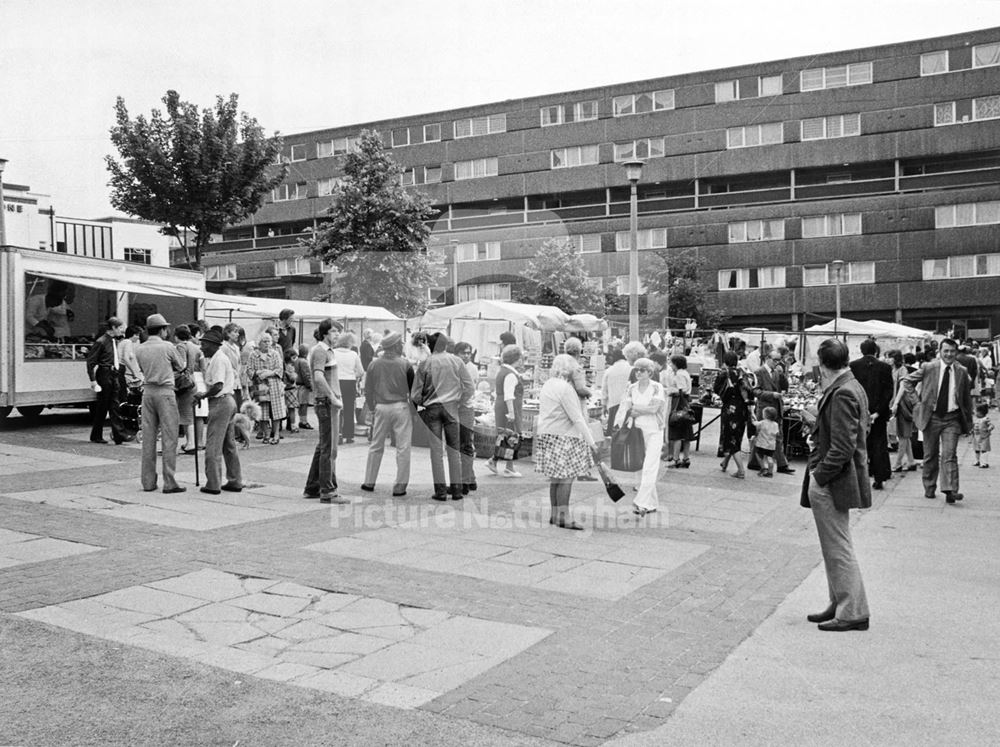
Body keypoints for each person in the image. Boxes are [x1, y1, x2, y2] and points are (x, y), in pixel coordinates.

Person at [799, 338, 871, 632]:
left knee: (838, 546)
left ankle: (852, 610)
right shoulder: (850, 385)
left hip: (832, 480)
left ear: (822, 363)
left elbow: (841, 448)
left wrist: (819, 477)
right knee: (834, 546)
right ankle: (840, 602)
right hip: (837, 478)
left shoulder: (841, 392)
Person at [902, 338, 974, 504]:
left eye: (952, 351)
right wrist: (917, 402)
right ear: (940, 352)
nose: (949, 354)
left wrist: (968, 420)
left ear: (956, 353)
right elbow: (907, 381)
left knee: (950, 454)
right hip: (931, 417)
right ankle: (929, 486)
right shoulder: (929, 367)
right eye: (945, 351)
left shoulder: (961, 371)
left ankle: (950, 490)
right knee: (930, 455)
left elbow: (965, 398)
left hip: (952, 418)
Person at [535, 354, 599, 530]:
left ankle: (555, 514)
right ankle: (564, 516)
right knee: (567, 478)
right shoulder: (565, 388)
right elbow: (577, 417)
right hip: (565, 435)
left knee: (556, 478)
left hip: (548, 433)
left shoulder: (549, 384)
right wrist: (591, 441)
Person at [411, 332, 474, 501]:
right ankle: (457, 490)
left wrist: (423, 403)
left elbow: (415, 394)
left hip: (432, 409)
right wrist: (461, 401)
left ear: (431, 346)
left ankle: (440, 491)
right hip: (452, 407)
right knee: (454, 450)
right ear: (446, 345)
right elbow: (469, 387)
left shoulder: (425, 363)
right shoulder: (457, 361)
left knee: (436, 452)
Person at [134, 314, 186, 494]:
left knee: (148, 438)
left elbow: (140, 368)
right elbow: (181, 365)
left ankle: (148, 482)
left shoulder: (140, 348)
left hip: (147, 392)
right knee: (169, 437)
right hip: (165, 392)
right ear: (163, 329)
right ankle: (169, 481)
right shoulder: (168, 346)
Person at [360, 332, 414, 497]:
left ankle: (369, 482)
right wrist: (414, 411)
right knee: (403, 448)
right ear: (397, 346)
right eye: (401, 343)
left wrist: (372, 407)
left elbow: (368, 389)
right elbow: (414, 391)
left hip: (381, 407)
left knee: (376, 445)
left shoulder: (374, 365)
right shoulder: (406, 364)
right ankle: (400, 486)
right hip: (401, 407)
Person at [614, 357, 668, 517]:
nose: (638, 372)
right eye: (636, 370)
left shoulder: (657, 387)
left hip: (655, 431)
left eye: (642, 370)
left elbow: (654, 409)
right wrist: (641, 409)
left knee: (650, 466)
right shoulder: (631, 387)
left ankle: (641, 502)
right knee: (643, 466)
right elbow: (628, 408)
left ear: (650, 372)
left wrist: (638, 409)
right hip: (637, 431)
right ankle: (651, 503)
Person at [303, 318, 349, 504]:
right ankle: (328, 491)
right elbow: (318, 377)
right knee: (329, 448)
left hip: (326, 402)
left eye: (338, 331)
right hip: (327, 403)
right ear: (324, 334)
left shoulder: (325, 351)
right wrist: (333, 398)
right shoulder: (321, 351)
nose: (337, 335)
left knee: (323, 445)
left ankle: (313, 486)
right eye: (333, 331)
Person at [194, 329, 242, 495]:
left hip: (220, 403)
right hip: (228, 401)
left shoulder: (218, 360)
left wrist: (203, 395)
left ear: (214, 345)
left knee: (213, 444)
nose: (201, 347)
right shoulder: (216, 358)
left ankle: (213, 483)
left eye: (204, 344)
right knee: (229, 444)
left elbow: (218, 385)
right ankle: (235, 480)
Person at [849, 339, 894, 490]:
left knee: (859, 444)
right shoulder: (885, 367)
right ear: (875, 350)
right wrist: (878, 412)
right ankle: (879, 477)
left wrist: (862, 410)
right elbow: (888, 392)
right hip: (878, 414)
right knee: (879, 444)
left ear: (861, 350)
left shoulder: (853, 366)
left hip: (859, 412)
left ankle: (858, 476)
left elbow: (852, 389)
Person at [749, 351, 795, 474]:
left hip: (776, 409)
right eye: (775, 360)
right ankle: (754, 462)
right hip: (765, 408)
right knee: (761, 436)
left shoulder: (776, 372)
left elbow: (785, 386)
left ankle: (782, 464)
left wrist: (783, 373)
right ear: (768, 359)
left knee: (778, 436)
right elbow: (756, 391)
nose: (776, 363)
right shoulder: (759, 372)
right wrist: (771, 395)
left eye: (778, 361)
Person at [85, 317, 128, 445]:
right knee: (104, 406)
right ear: (114, 328)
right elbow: (90, 362)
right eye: (120, 328)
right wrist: (93, 381)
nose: (122, 330)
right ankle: (100, 435)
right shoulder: (102, 342)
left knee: (113, 404)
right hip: (104, 374)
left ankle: (118, 435)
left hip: (112, 373)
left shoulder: (112, 341)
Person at [486, 344, 525, 478]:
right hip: (509, 407)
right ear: (517, 359)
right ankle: (508, 467)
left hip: (502, 406)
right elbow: (509, 395)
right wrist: (512, 413)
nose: (521, 361)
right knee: (512, 437)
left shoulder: (502, 371)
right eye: (520, 358)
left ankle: (495, 461)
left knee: (505, 436)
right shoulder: (511, 374)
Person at [715, 351, 753, 479]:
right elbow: (749, 391)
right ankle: (725, 463)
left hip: (730, 409)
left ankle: (741, 470)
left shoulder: (725, 373)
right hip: (742, 409)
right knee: (736, 437)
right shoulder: (742, 373)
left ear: (725, 361)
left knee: (730, 439)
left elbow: (716, 389)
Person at [247, 333, 285, 444]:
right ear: (259, 343)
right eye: (264, 341)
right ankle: (266, 434)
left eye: (269, 341)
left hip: (274, 385)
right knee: (262, 412)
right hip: (260, 386)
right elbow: (249, 370)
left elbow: (280, 369)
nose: (267, 343)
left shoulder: (275, 354)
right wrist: (258, 373)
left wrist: (269, 373)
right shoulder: (253, 355)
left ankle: (276, 434)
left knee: (276, 412)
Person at [453, 341, 479, 492]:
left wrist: (459, 402)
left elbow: (469, 389)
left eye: (469, 353)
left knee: (465, 444)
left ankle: (465, 481)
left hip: (465, 408)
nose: (467, 356)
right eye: (464, 353)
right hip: (457, 408)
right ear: (456, 354)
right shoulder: (454, 366)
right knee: (461, 444)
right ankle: (471, 479)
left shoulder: (471, 369)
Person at [174, 324, 204, 454]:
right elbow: (203, 365)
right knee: (189, 413)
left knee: (186, 415)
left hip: (183, 382)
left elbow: (181, 365)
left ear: (176, 336)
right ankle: (190, 442)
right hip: (193, 381)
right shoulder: (195, 347)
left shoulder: (180, 346)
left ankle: (191, 443)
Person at [889, 352, 919, 472]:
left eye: (889, 357)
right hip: (900, 403)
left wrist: (896, 402)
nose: (887, 359)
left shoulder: (902, 370)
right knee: (904, 435)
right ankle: (911, 461)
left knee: (902, 435)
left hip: (902, 404)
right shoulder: (896, 369)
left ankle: (898, 463)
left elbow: (903, 387)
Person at [662, 354, 693, 467]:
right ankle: (686, 458)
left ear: (676, 364)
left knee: (677, 434)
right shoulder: (685, 373)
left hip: (678, 404)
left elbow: (681, 391)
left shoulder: (679, 374)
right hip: (685, 405)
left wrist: (670, 391)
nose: (671, 365)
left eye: (672, 363)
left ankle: (676, 459)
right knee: (686, 433)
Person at [333, 332, 365, 443]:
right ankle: (349, 434)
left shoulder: (333, 353)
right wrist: (353, 375)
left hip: (336, 381)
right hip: (350, 382)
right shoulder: (353, 354)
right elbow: (361, 371)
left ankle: (338, 433)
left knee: (337, 409)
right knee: (349, 409)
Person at [602, 348, 631, 437]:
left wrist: (604, 405)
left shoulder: (609, 370)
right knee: (626, 428)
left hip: (613, 402)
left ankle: (613, 446)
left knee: (613, 427)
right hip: (627, 402)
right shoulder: (630, 368)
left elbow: (604, 390)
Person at [754, 406, 780, 477]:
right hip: (771, 445)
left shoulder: (763, 422)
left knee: (758, 455)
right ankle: (770, 472)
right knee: (769, 457)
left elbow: (756, 425)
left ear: (766, 415)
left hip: (761, 444)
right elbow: (777, 433)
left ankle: (763, 467)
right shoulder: (776, 424)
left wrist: (752, 419)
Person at [295, 343, 313, 429]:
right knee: (304, 404)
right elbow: (306, 375)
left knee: (300, 404)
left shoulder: (296, 360)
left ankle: (301, 420)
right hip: (303, 386)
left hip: (297, 385)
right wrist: (310, 385)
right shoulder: (304, 362)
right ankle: (303, 421)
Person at [283, 348, 300, 432]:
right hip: (291, 389)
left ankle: (288, 424)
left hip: (284, 388)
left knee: (286, 408)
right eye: (294, 357)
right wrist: (295, 375)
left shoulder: (284, 365)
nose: (295, 359)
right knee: (292, 409)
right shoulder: (290, 367)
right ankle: (293, 426)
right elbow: (292, 377)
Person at [972, 403, 993, 468]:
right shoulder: (975, 419)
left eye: (975, 411)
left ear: (980, 412)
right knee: (976, 449)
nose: (974, 413)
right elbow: (973, 427)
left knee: (984, 450)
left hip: (984, 437)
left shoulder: (986, 419)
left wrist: (989, 428)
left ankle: (984, 463)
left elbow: (991, 425)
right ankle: (977, 461)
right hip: (976, 437)